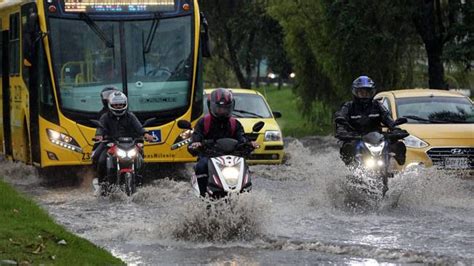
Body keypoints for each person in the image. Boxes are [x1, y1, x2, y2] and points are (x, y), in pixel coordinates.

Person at [188, 88, 259, 197]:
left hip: (231, 158)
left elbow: (242, 139)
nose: (222, 111)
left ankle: (246, 196)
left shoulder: (235, 124)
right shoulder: (203, 122)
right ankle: (203, 196)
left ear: (231, 107)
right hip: (209, 157)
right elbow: (195, 139)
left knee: (245, 165)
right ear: (211, 106)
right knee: (201, 166)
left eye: (225, 108)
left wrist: (250, 144)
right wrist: (196, 144)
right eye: (219, 108)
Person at [334, 75, 406, 166]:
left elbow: (387, 118)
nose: (364, 95)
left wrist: (396, 128)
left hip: (376, 138)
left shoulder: (377, 105)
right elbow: (340, 117)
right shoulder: (348, 106)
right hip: (355, 137)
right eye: (361, 92)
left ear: (372, 92)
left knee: (398, 145)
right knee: (348, 147)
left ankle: (396, 165)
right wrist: (341, 130)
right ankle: (349, 169)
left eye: (367, 92)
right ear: (355, 92)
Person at [93, 91, 155, 193]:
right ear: (110, 105)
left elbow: (139, 128)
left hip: (129, 144)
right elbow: (100, 128)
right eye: (115, 105)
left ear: (125, 104)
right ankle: (101, 184)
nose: (118, 107)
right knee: (100, 159)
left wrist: (146, 135)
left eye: (120, 104)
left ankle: (141, 182)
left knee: (141, 158)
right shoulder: (105, 117)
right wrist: (99, 136)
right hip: (110, 144)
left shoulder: (130, 116)